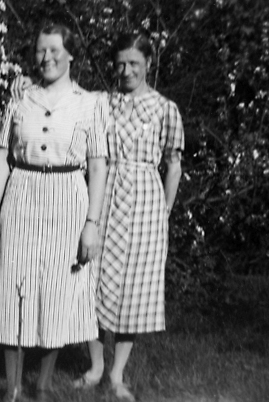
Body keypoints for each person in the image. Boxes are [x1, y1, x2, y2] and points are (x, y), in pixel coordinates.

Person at [0, 23, 108, 402]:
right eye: (40, 50)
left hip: (68, 197)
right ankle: (13, 388)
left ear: (71, 55)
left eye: (54, 50)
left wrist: (91, 224)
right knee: (11, 286)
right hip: (22, 193)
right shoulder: (21, 99)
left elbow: (98, 166)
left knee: (57, 289)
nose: (47, 57)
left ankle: (42, 385)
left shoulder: (91, 103)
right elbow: (1, 157)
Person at [74, 33, 184, 401]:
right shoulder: (102, 102)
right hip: (103, 194)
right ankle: (95, 366)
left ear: (148, 63)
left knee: (134, 289)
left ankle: (117, 374)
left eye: (134, 63)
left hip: (145, 203)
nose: (126, 71)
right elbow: (67, 96)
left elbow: (173, 165)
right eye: (120, 63)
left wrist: (164, 212)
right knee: (90, 280)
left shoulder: (165, 108)